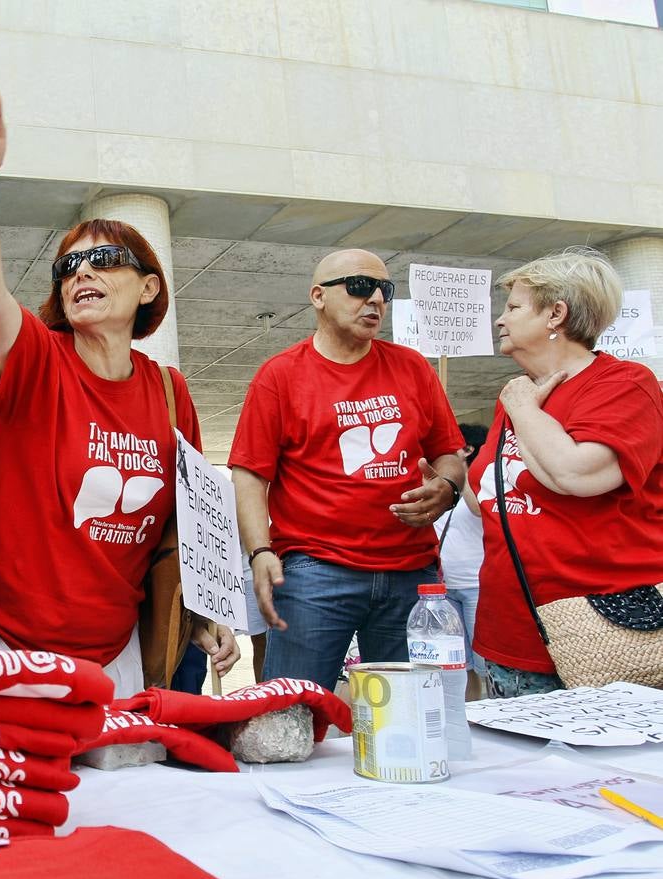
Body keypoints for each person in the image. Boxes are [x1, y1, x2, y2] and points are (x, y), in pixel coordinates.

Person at [0, 74, 238, 699]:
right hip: (7, 649)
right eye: (68, 266)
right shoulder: (37, 361)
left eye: (105, 261)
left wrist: (206, 608)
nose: (82, 273)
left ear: (149, 288)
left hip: (118, 657)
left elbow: (187, 521)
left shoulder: (168, 390)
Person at [229, 249, 466, 692]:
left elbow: (448, 453)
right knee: (291, 718)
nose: (375, 299)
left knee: (413, 720)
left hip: (411, 573)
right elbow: (250, 474)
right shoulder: (279, 376)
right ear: (318, 296)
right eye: (359, 287)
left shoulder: (413, 367)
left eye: (385, 290)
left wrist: (449, 486)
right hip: (315, 572)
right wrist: (260, 551)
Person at [469, 249, 663, 698]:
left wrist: (520, 405)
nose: (501, 320)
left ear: (557, 313)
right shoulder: (518, 395)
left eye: (514, 308)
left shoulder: (624, 385)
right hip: (510, 637)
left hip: (606, 633)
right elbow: (487, 499)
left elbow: (576, 475)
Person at [433, 422, 489, 700]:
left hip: (476, 585)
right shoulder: (438, 482)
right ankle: (467, 717)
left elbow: (479, 509)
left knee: (482, 663)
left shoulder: (482, 479)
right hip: (444, 588)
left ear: (467, 448)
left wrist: (462, 473)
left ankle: (489, 712)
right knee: (458, 664)